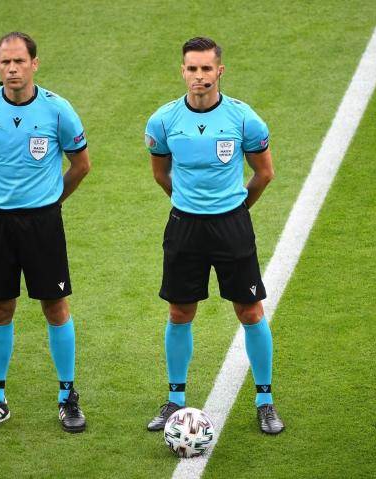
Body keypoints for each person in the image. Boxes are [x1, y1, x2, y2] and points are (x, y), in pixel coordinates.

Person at [144, 37, 284, 434]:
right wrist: (190, 205)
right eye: (192, 68)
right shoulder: (163, 121)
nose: (199, 76)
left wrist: (235, 210)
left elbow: (264, 173)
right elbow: (161, 174)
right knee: (179, 312)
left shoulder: (244, 119)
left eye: (206, 68)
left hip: (231, 227)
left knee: (250, 311)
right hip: (185, 227)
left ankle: (265, 401)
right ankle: (175, 399)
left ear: (219, 71)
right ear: (182, 71)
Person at [0, 32, 91, 433]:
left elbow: (81, 164)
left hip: (43, 224)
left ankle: (67, 396)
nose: (12, 68)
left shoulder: (57, 110)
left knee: (55, 306)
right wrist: (1, 197)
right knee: (0, 308)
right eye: (5, 62)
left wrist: (50, 201)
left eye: (19, 61)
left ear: (34, 64)